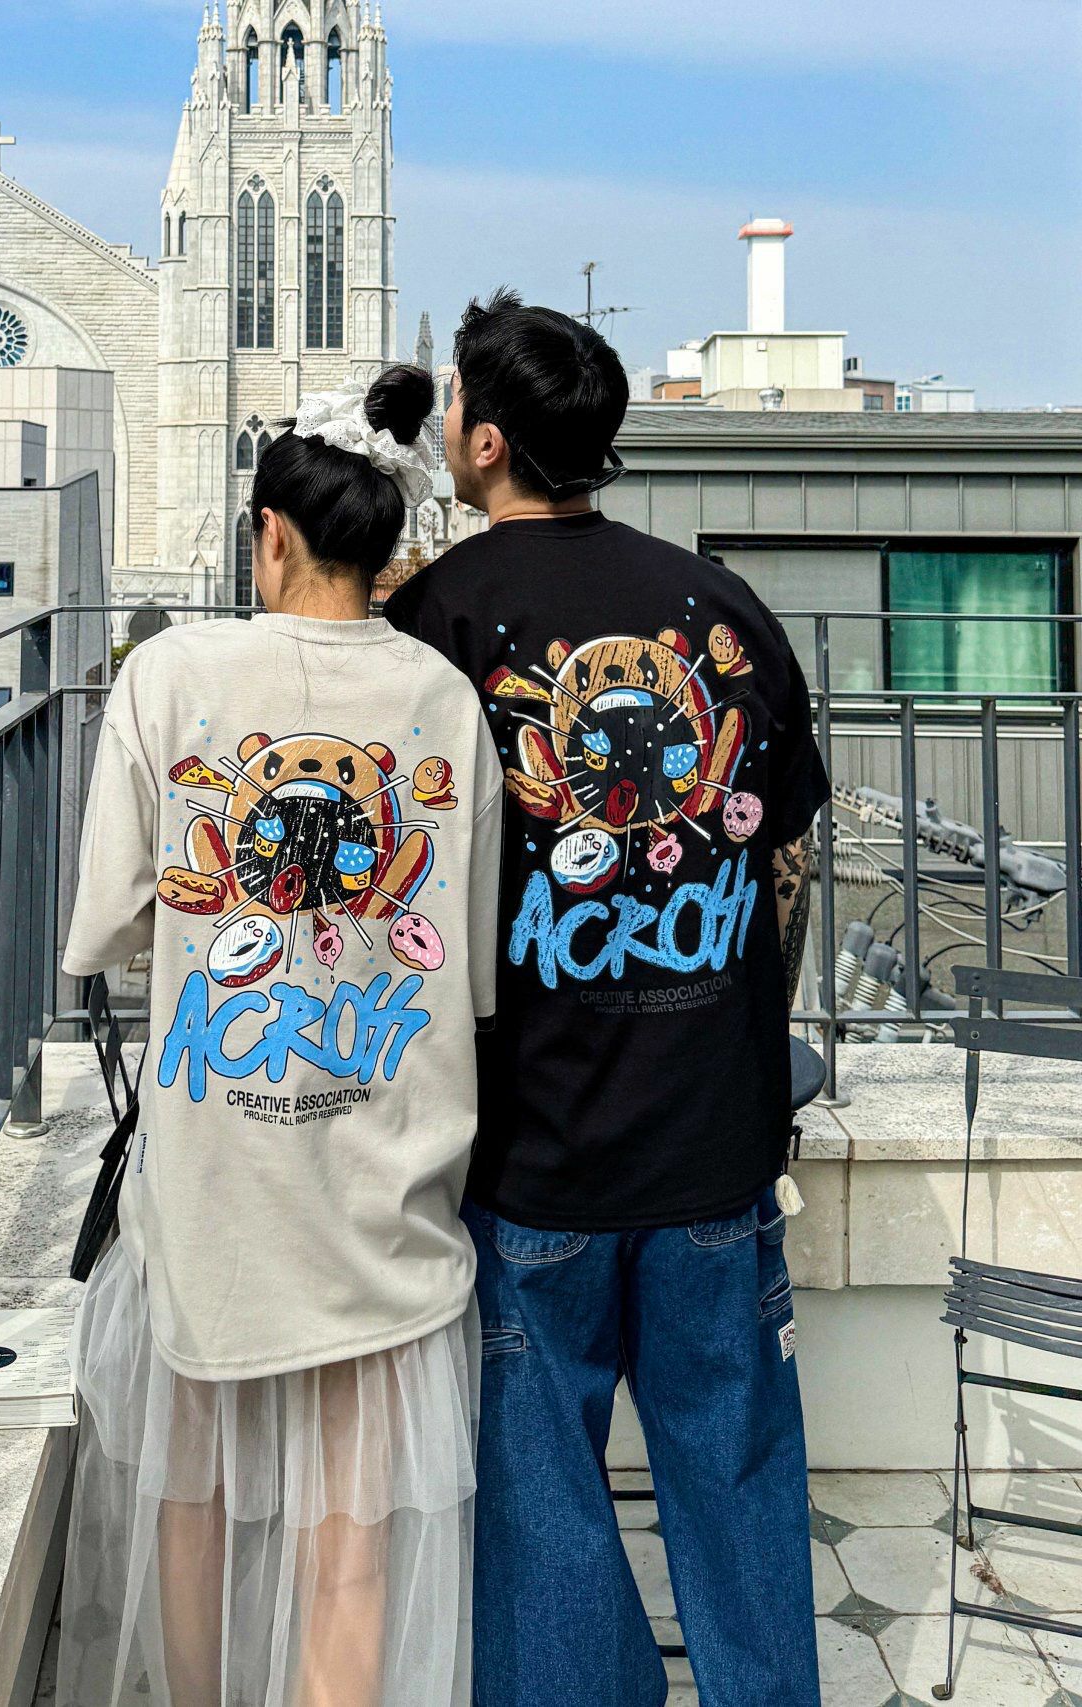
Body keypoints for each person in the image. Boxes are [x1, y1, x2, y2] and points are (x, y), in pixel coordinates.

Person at [384, 291, 831, 1707]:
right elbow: (786, 847)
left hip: (535, 1152)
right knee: (740, 1485)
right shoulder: (725, 607)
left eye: (458, 399)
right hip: (714, 1139)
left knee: (545, 1515)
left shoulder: (435, 623)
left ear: (487, 439)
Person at [55, 365, 504, 1707]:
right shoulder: (444, 700)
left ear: (270, 532)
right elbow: (470, 967)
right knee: (352, 1538)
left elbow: (107, 925)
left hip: (217, 1181)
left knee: (188, 1493)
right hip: (385, 1177)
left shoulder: (171, 674)